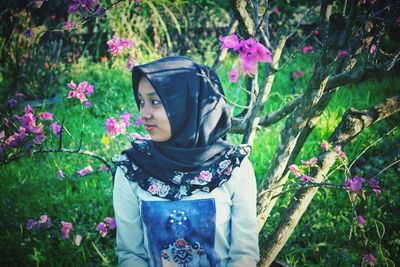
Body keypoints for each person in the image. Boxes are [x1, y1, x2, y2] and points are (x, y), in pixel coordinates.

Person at [112, 56, 259, 267]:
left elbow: (244, 255)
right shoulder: (133, 168)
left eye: (155, 101)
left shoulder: (233, 168)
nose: (144, 114)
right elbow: (130, 255)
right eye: (141, 101)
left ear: (186, 103)